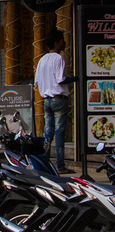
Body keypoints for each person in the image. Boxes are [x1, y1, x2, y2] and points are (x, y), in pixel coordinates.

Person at [34, 27, 76, 172]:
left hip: (47, 100)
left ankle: (44, 162)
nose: (64, 43)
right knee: (59, 133)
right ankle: (60, 165)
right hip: (59, 99)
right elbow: (61, 79)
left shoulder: (42, 59)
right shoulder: (59, 58)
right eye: (62, 41)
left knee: (48, 132)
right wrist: (75, 78)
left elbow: (37, 82)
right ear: (57, 43)